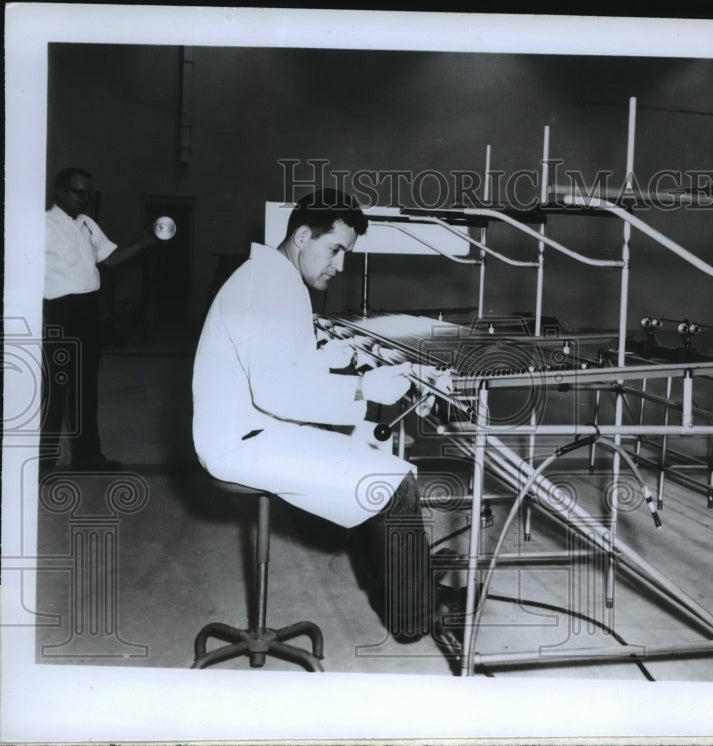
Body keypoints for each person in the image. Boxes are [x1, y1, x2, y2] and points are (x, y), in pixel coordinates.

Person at [191, 188, 459, 653]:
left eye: (345, 254)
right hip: (242, 441)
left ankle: (400, 580)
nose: (339, 264)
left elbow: (284, 361)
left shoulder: (271, 278)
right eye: (334, 250)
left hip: (251, 427)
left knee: (366, 449)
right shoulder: (266, 287)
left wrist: (337, 354)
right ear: (301, 236)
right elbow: (276, 391)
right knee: (390, 483)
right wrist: (362, 388)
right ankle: (415, 616)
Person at [42, 166, 157, 471]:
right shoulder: (41, 225)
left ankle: (87, 456)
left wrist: (145, 241)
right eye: (77, 192)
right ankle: (41, 462)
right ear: (59, 191)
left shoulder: (88, 225)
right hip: (58, 313)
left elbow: (110, 259)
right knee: (54, 389)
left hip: (87, 312)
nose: (83, 199)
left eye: (88, 194)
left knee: (85, 387)